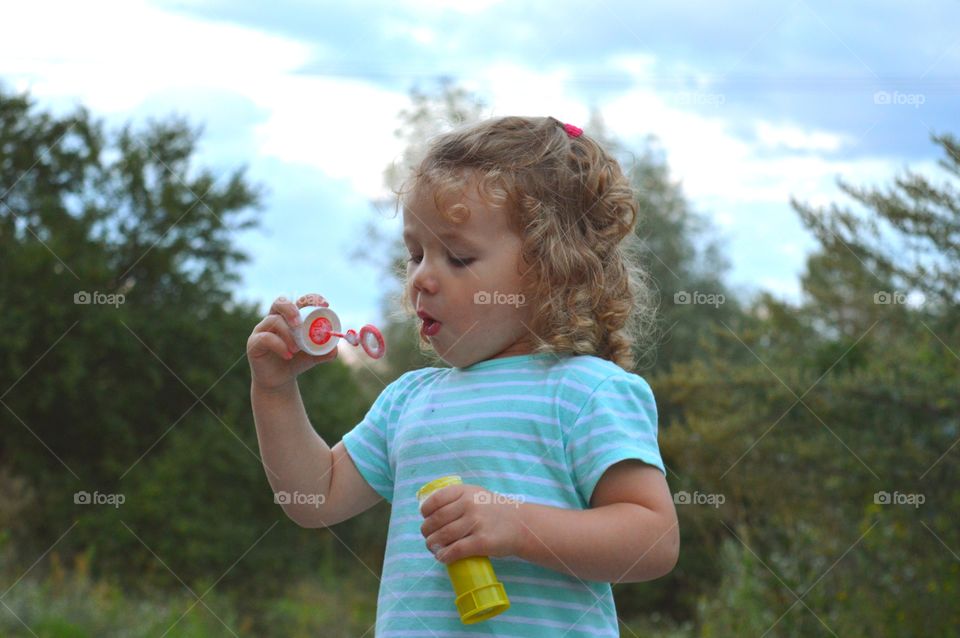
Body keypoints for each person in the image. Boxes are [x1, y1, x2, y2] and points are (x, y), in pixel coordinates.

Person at [248, 115, 679, 636]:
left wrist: (517, 526)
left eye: (457, 256)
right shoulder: (407, 400)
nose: (423, 277)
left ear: (552, 268)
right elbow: (314, 499)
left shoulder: (586, 390)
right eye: (415, 253)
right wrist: (275, 390)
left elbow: (653, 540)